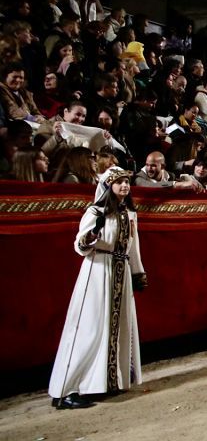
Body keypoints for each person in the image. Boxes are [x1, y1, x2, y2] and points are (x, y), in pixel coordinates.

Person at [48, 168, 147, 409]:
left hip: (120, 273)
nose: (125, 186)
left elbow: (133, 248)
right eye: (119, 182)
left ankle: (106, 382)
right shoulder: (95, 211)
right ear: (108, 185)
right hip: (98, 272)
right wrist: (91, 234)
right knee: (90, 328)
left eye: (127, 182)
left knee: (117, 327)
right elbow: (80, 245)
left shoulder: (129, 213)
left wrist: (138, 273)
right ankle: (67, 389)